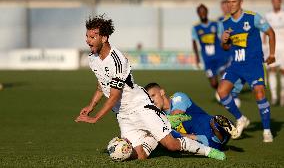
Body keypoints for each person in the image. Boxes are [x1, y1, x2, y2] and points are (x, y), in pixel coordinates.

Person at [75, 15, 226, 160]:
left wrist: (95, 118)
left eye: (92, 37)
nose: (87, 41)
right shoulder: (93, 59)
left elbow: (114, 95)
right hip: (123, 114)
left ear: (104, 38)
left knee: (171, 145)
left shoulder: (117, 60)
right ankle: (154, 134)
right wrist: (91, 106)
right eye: (87, 36)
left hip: (140, 107)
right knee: (139, 155)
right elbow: (102, 85)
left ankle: (209, 151)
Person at [218, 0, 276, 142]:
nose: (231, 5)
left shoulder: (253, 18)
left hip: (254, 64)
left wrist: (271, 54)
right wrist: (224, 41)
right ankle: (241, 118)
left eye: (234, 1)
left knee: (259, 94)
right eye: (228, 2)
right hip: (236, 65)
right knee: (222, 92)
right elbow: (225, 47)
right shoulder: (224, 23)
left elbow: (270, 33)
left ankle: (267, 130)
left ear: (241, 2)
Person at [144, 82, 237, 151]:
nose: (152, 101)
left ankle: (221, 124)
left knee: (214, 124)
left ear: (162, 92)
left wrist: (156, 124)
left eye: (153, 95)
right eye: (149, 99)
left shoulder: (177, 97)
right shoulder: (162, 116)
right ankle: (219, 133)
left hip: (208, 127)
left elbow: (176, 116)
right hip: (205, 142)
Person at [192, 4, 231, 101]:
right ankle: (219, 91)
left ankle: (226, 94)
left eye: (204, 12)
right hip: (207, 59)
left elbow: (223, 37)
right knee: (213, 83)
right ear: (198, 14)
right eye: (200, 12)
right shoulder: (196, 28)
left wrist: (227, 45)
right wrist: (197, 57)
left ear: (207, 12)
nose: (202, 14)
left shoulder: (215, 24)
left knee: (224, 77)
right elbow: (194, 42)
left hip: (219, 56)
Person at [263, 0, 284, 107]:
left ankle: (282, 95)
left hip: (283, 47)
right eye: (274, 1)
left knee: (282, 71)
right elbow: (265, 31)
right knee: (271, 70)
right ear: (272, 2)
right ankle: (274, 96)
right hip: (272, 47)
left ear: (280, 2)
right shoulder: (267, 15)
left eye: (278, 1)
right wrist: (265, 45)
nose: (276, 3)